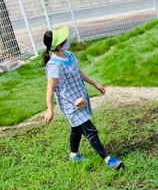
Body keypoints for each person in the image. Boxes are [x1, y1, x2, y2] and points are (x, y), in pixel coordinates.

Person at [43, 26, 123, 169]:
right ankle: (108, 160)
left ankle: (73, 155)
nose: (67, 41)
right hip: (70, 104)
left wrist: (96, 84)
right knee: (90, 130)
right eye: (64, 40)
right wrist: (50, 109)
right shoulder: (54, 66)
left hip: (80, 99)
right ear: (58, 45)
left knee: (77, 128)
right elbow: (50, 89)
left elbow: (79, 72)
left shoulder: (69, 55)